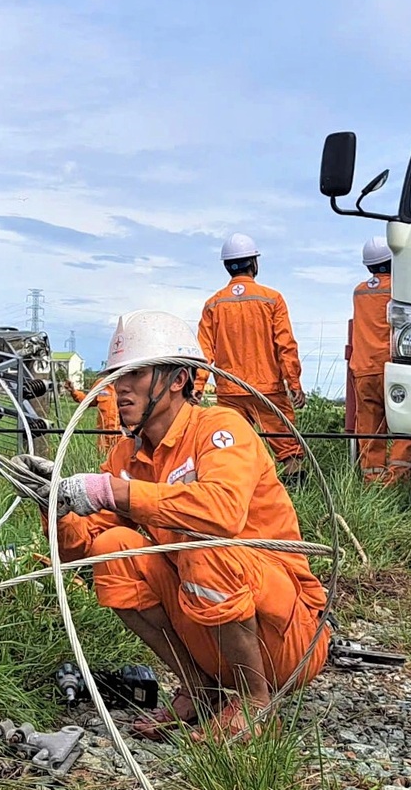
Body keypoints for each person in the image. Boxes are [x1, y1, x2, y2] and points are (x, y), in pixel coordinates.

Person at [22, 310, 330, 740]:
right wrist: (54, 505)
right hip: (212, 625)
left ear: (179, 379)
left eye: (135, 373)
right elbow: (79, 553)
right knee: (114, 547)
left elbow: (222, 512)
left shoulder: (221, 428)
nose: (120, 387)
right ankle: (199, 688)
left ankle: (256, 702)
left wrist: (116, 492)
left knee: (204, 542)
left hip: (287, 637)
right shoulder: (128, 458)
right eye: (116, 375)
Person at [197, 233, 306, 475]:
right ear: (254, 263)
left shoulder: (213, 304)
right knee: (289, 451)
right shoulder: (272, 299)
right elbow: (285, 345)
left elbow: (204, 352)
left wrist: (197, 387)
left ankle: (239, 495)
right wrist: (294, 383)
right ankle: (294, 498)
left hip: (229, 392)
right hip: (268, 391)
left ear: (227, 266)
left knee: (232, 450)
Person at [348, 237, 411, 484]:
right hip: (395, 368)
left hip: (364, 369)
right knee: (405, 424)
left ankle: (372, 482)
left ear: (368, 266)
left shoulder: (359, 292)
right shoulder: (403, 288)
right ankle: (398, 480)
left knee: (369, 427)